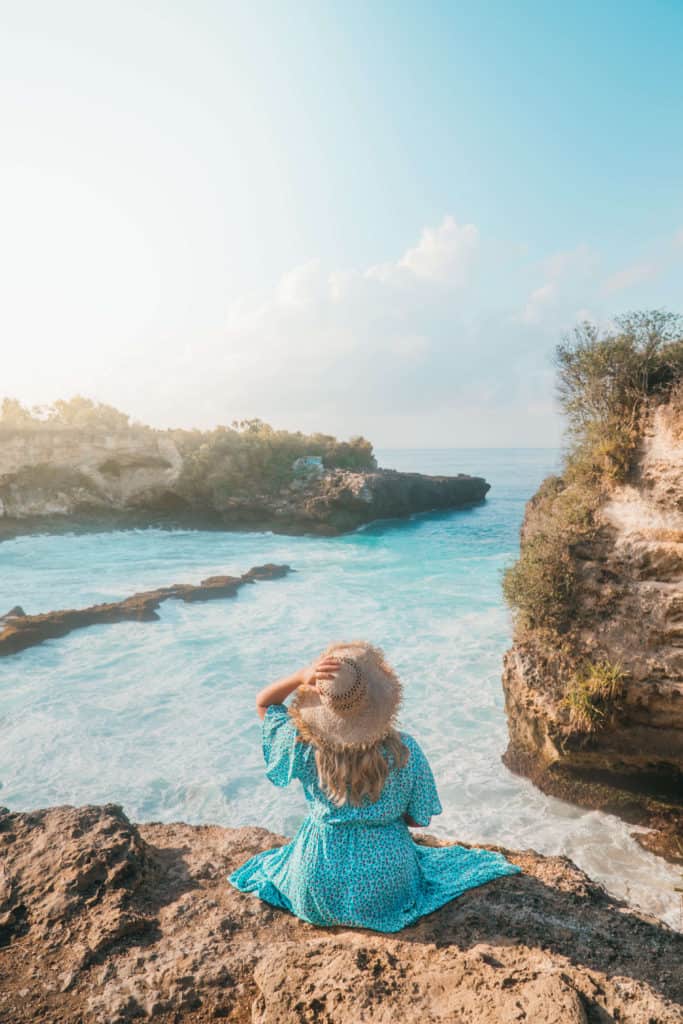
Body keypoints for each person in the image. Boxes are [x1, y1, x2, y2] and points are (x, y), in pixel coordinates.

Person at [228, 640, 520, 932]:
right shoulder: (404, 751)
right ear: (378, 699)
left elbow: (264, 703)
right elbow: (417, 819)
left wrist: (300, 675)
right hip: (386, 890)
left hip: (315, 886)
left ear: (321, 698)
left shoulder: (301, 745)